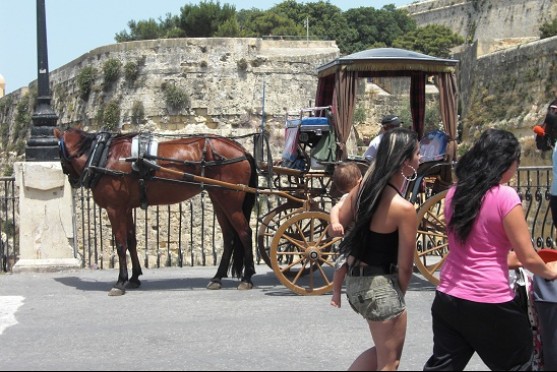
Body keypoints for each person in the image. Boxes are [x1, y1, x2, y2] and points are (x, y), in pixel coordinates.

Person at [423, 129, 557, 371]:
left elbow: (477, 249)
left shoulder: (455, 193)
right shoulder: (505, 196)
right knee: (519, 364)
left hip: (448, 296)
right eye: (516, 162)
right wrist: (550, 272)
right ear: (505, 162)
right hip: (490, 300)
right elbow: (528, 256)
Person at [333, 127, 419, 370]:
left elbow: (341, 221)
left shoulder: (360, 191)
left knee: (382, 352)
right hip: (381, 287)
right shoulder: (403, 209)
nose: (421, 158)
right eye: (418, 154)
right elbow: (405, 266)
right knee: (389, 362)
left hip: (355, 282)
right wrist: (395, 297)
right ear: (406, 162)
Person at [328, 162, 363, 308]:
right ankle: (336, 292)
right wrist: (335, 222)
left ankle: (343, 291)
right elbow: (335, 209)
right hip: (350, 241)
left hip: (358, 238)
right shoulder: (347, 198)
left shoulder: (358, 195)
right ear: (358, 179)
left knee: (345, 267)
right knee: (341, 265)